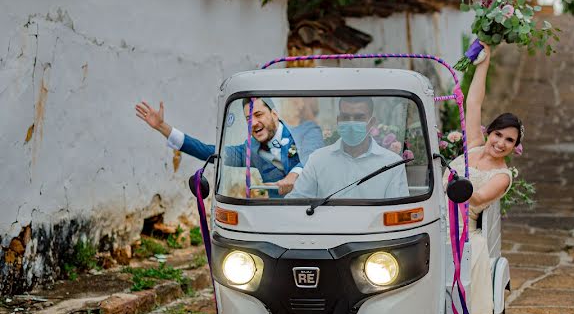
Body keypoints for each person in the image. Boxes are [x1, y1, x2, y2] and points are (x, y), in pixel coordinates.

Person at [447, 44, 521, 314]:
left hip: (463, 227)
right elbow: (473, 103)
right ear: (489, 133)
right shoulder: (475, 146)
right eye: (498, 135)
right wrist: (483, 64)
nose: (501, 143)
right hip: (432, 212)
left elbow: (476, 199)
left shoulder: (502, 177)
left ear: (514, 147)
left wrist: (454, 185)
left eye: (509, 140)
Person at [135, 97, 324, 197]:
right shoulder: (250, 152)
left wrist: (292, 177)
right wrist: (162, 127)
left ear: (274, 114)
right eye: (249, 119)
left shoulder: (307, 131)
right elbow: (208, 151)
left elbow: (312, 155)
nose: (254, 123)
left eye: (259, 115)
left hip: (316, 214)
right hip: (277, 221)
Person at [288, 96, 409, 200]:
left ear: (372, 123)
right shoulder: (317, 159)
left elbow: (397, 209)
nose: (351, 124)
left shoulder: (392, 164)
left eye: (359, 118)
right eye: (346, 117)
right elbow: (296, 201)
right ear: (338, 120)